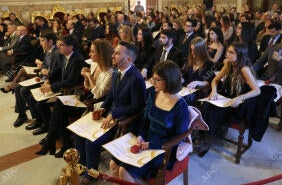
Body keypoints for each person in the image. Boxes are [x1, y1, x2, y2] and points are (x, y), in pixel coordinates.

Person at [75, 41, 146, 184]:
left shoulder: (136, 79)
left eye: (117, 53)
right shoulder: (116, 71)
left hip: (123, 121)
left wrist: (114, 114)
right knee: (79, 134)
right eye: (114, 52)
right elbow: (111, 96)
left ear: (129, 59)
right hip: (110, 114)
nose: (112, 56)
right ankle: (83, 165)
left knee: (90, 142)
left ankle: (91, 174)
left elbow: (137, 107)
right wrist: (103, 108)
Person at [109, 60, 189, 182]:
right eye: (153, 78)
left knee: (123, 171)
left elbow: (179, 137)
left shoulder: (180, 105)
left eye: (157, 79)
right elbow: (145, 120)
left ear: (169, 80)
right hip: (146, 139)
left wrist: (151, 145)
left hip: (163, 148)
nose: (153, 82)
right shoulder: (153, 94)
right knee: (112, 163)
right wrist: (141, 135)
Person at [35, 39, 113, 158]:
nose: (89, 54)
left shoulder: (110, 72)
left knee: (60, 109)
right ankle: (57, 143)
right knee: (59, 108)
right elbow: (86, 86)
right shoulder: (95, 64)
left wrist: (88, 77)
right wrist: (86, 78)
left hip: (94, 104)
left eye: (92, 52)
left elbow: (98, 94)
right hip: (86, 97)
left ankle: (52, 142)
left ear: (101, 53)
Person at [200, 42, 261, 155]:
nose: (227, 54)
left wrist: (239, 97)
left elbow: (257, 90)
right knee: (207, 104)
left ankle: (207, 139)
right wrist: (214, 90)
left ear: (240, 55)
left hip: (239, 102)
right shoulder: (228, 64)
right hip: (229, 97)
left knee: (212, 110)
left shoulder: (244, 69)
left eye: (231, 52)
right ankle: (204, 134)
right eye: (227, 51)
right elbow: (214, 80)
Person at [182, 37, 215, 105]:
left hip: (199, 91)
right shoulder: (189, 61)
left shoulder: (209, 63)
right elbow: (185, 77)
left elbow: (209, 81)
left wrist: (197, 82)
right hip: (186, 89)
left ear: (201, 51)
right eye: (191, 50)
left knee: (186, 99)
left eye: (195, 50)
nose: (192, 52)